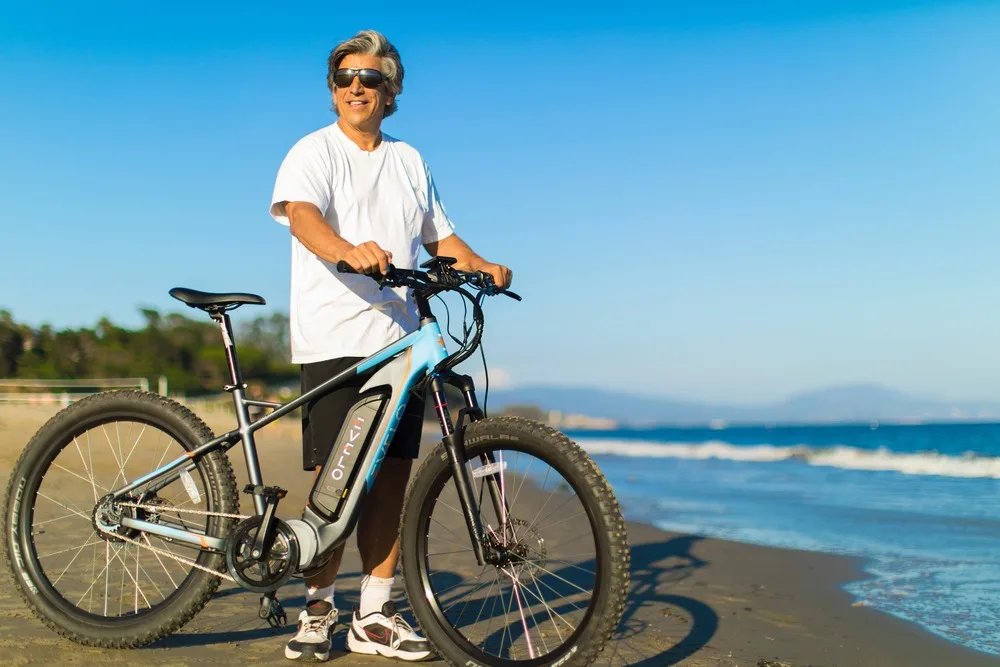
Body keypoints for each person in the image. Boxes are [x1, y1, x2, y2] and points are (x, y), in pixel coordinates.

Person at [268, 29, 512, 663]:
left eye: (370, 78)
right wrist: (348, 250)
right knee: (335, 478)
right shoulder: (313, 151)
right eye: (345, 76)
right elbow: (302, 215)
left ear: (391, 90)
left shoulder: (409, 160)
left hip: (400, 341)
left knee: (390, 479)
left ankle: (373, 613)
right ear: (333, 88)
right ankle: (317, 608)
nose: (356, 86)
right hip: (336, 336)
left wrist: (484, 266)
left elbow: (442, 239)